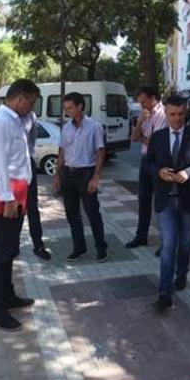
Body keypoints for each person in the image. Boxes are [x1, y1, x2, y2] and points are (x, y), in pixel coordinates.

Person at [0, 79, 41, 331]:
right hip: (6, 193)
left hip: (16, 191)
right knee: (1, 252)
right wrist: (7, 198)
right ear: (20, 98)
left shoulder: (15, 120)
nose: (32, 107)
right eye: (32, 101)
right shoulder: (0, 122)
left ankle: (8, 295)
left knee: (10, 249)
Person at [145, 96, 190, 311]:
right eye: (172, 114)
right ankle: (165, 293)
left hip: (189, 200)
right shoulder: (158, 137)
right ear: (165, 113)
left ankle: (182, 273)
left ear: (186, 113)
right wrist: (159, 172)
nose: (176, 118)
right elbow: (148, 163)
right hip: (166, 200)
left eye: (180, 114)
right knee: (168, 245)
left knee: (185, 243)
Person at [54, 92, 108, 263]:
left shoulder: (94, 126)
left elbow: (100, 152)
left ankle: (101, 248)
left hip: (86, 174)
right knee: (72, 214)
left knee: (92, 212)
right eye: (65, 108)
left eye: (70, 108)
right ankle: (79, 247)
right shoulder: (66, 127)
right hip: (68, 174)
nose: (67, 111)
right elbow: (62, 151)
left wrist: (96, 177)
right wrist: (57, 174)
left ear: (80, 106)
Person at [126, 86, 167, 250]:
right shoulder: (144, 115)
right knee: (143, 199)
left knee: (160, 201)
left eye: (144, 101)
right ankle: (141, 236)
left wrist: (143, 138)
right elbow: (134, 137)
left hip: (159, 161)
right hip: (145, 160)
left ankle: (166, 241)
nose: (141, 105)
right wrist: (141, 121)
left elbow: (156, 142)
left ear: (153, 98)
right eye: (140, 102)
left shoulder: (163, 114)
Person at [23, 110, 51, 260]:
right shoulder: (5, 118)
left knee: (32, 207)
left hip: (28, 164)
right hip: (12, 169)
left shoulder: (31, 116)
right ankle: (12, 245)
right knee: (14, 208)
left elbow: (32, 139)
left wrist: (29, 155)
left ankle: (38, 245)